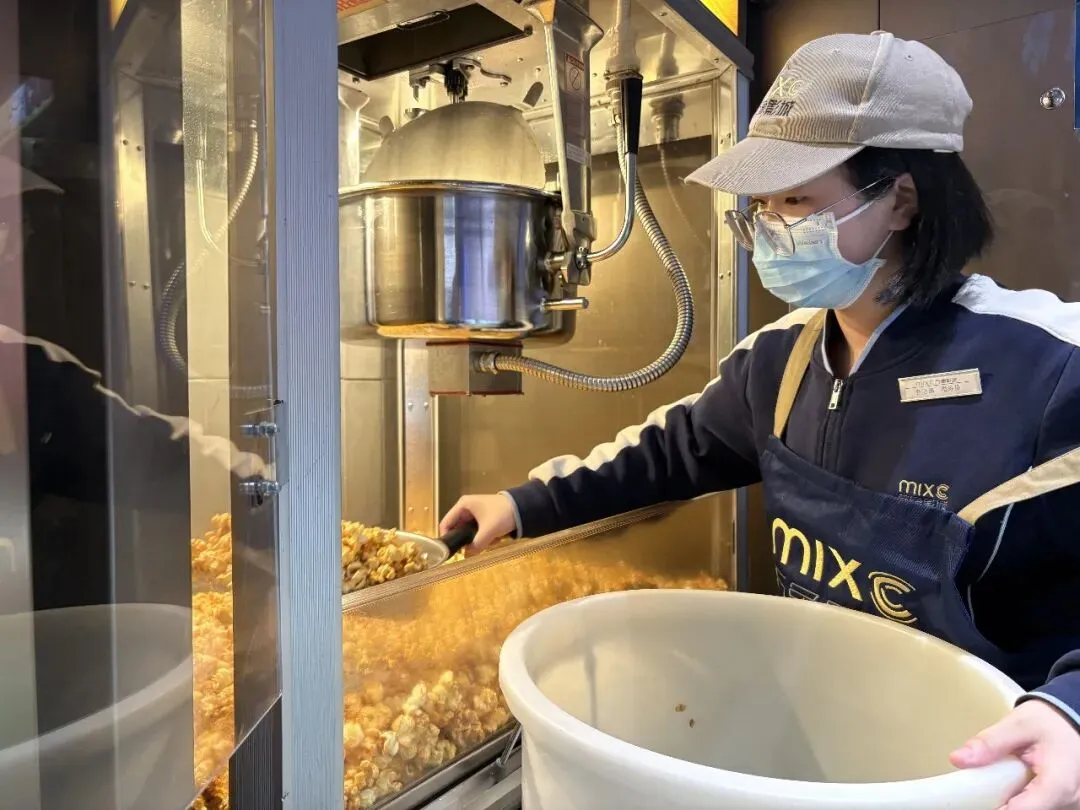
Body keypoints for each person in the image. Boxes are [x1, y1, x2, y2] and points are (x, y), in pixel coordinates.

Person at [441, 31, 1080, 809]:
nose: (772, 228)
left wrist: (1071, 708)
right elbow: (667, 452)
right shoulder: (778, 364)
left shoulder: (1047, 367)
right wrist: (524, 504)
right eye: (763, 208)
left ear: (902, 200)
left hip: (983, 775)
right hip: (822, 750)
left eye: (797, 202)